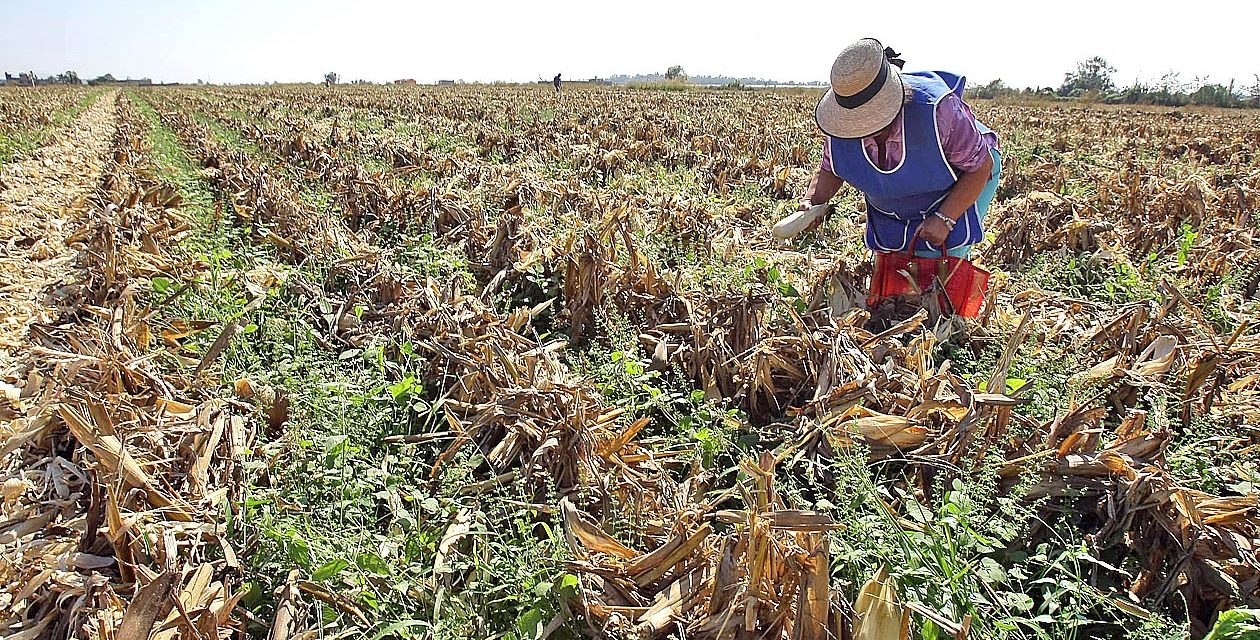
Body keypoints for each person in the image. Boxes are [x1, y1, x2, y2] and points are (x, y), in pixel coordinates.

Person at [799, 38, 1000, 258]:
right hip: (896, 199)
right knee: (892, 258)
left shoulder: (937, 111)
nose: (862, 128)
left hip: (967, 174)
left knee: (940, 260)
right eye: (855, 121)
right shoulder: (840, 126)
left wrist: (945, 218)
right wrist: (812, 202)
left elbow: (980, 166)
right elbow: (832, 168)